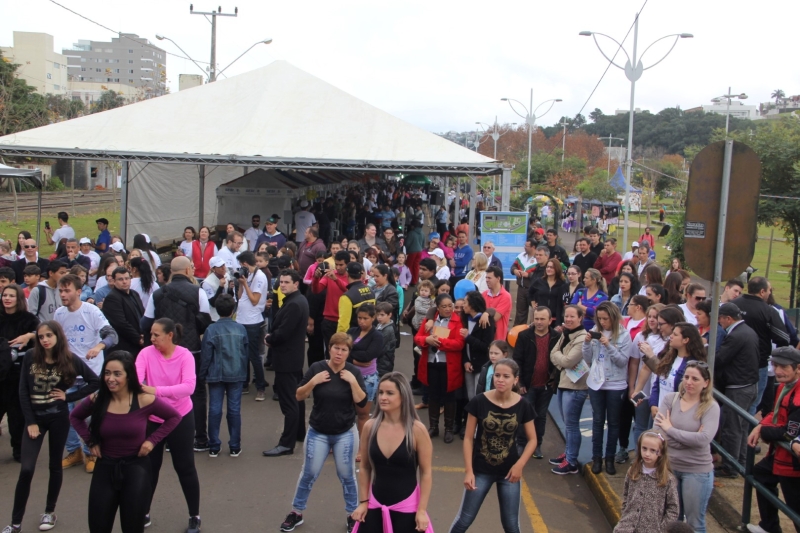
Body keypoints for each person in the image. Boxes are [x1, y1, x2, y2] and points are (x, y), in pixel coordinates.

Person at [70, 352, 181, 533]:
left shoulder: (144, 399)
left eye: (117, 374)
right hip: (105, 468)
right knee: (98, 526)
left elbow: (174, 417)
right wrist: (90, 441)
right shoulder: (98, 399)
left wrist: (152, 441)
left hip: (136, 469)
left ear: (129, 375)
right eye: (107, 373)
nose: (110, 379)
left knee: (132, 527)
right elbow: (75, 417)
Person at [5, 321, 99, 533]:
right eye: (41, 337)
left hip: (58, 418)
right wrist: (30, 422)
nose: (45, 340)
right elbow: (23, 391)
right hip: (34, 420)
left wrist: (69, 396)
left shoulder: (69, 359)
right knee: (26, 469)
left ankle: (49, 511)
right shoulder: (30, 356)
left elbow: (95, 382)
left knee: (54, 465)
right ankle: (15, 523)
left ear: (58, 336)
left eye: (49, 335)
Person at [279, 332, 367, 533]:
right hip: (318, 431)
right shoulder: (317, 368)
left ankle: (353, 515)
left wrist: (353, 382)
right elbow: (299, 395)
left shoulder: (353, 372)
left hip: (345, 432)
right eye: (336, 348)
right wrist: (314, 381)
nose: (339, 353)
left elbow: (362, 403)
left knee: (347, 475)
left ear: (348, 353)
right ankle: (296, 512)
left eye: (344, 350)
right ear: (330, 348)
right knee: (309, 473)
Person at [449, 358, 536, 533]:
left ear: (515, 380)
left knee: (511, 525)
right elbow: (468, 438)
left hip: (509, 473)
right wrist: (469, 471)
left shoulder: (523, 405)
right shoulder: (479, 401)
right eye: (497, 375)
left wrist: (519, 465)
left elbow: (532, 439)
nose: (500, 380)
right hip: (481, 471)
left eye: (506, 376)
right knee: (464, 520)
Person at [135, 318, 202, 532]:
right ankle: (143, 512)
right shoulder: (145, 354)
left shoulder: (185, 356)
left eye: (156, 335)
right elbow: (136, 382)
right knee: (149, 469)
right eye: (150, 335)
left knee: (185, 467)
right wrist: (147, 391)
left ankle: (194, 515)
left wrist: (156, 391)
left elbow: (189, 387)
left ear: (170, 335)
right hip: (153, 419)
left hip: (180, 417)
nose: (151, 339)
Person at [141, 256, 212, 452]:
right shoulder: (198, 292)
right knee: (194, 391)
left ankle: (165, 434)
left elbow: (145, 323)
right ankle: (200, 437)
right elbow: (205, 320)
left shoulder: (158, 293)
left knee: (163, 389)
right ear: (189, 270)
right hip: (191, 348)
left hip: (162, 351)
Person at [350, 372, 433, 533]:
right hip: (374, 504)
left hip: (407, 508)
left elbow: (426, 473)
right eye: (380, 392)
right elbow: (365, 467)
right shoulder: (370, 427)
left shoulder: (417, 430)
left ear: (403, 397)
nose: (382, 397)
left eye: (389, 393)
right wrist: (364, 501)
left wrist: (421, 510)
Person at [55, 274, 118, 473]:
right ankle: (73, 451)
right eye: (61, 291)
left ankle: (90, 451)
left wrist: (99, 347)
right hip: (67, 375)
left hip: (91, 375)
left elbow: (111, 335)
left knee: (89, 417)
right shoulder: (59, 314)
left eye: (67, 291)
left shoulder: (91, 312)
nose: (63, 295)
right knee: (66, 415)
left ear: (78, 292)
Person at [655, 361, 720, 533]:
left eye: (695, 379)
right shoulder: (671, 399)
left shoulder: (711, 407)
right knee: (672, 521)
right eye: (687, 377)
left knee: (694, 524)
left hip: (697, 471)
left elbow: (703, 440)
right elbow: (657, 433)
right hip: (669, 468)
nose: (689, 382)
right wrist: (688, 438)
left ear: (706, 383)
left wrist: (670, 429)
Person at [746, 346, 800, 533]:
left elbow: (789, 433)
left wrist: (764, 430)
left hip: (792, 462)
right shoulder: (786, 386)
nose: (778, 371)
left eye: (784, 367)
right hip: (781, 455)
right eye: (776, 365)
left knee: (795, 506)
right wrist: (761, 425)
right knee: (760, 474)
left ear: (798, 368)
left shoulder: (798, 395)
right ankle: (769, 526)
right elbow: (775, 414)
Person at [263, 269, 310, 457]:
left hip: (287, 360)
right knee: (296, 399)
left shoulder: (294, 304)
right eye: (281, 282)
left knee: (289, 402)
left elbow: (283, 333)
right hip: (293, 358)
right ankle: (299, 433)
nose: (282, 285)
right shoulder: (297, 301)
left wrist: (270, 338)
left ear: (296, 284)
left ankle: (286, 443)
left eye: (286, 282)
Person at [583, 301, 631, 475]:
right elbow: (587, 358)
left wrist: (608, 345)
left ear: (614, 317)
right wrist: (587, 343)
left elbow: (622, 361)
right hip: (596, 382)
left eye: (605, 318)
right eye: (600, 318)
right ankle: (597, 458)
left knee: (613, 422)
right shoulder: (596, 330)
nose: (602, 322)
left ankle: (609, 458)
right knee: (597, 421)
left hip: (615, 383)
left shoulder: (624, 335)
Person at [714, 303, 761, 479]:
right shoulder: (747, 331)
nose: (719, 322)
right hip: (748, 385)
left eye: (720, 318)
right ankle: (740, 462)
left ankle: (731, 466)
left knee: (732, 427)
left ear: (728, 318)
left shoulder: (736, 335)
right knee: (741, 427)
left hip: (738, 387)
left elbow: (720, 358)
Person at [731, 277, 790, 415]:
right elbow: (783, 337)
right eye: (769, 290)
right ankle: (745, 434)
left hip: (732, 362)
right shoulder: (768, 311)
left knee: (731, 401)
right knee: (752, 402)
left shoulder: (733, 305)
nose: (770, 293)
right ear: (762, 291)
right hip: (758, 364)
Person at [199, 294, 247, 457]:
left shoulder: (211, 329)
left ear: (217, 310)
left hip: (215, 373)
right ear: (233, 310)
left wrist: (202, 374)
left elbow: (206, 355)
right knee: (234, 409)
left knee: (214, 409)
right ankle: (234, 445)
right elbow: (245, 353)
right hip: (236, 372)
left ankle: (214, 445)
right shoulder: (240, 328)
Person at [414, 293, 465, 443]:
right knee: (433, 396)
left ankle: (448, 428)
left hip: (449, 365)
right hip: (431, 362)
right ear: (438, 307)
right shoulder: (430, 321)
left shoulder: (458, 321)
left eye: (451, 306)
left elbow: (459, 343)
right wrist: (427, 340)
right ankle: (433, 427)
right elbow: (417, 338)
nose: (448, 309)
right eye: (444, 306)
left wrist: (441, 342)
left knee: (449, 396)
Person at [0, 285, 40, 463]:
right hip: (1, 374)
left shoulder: (28, 319)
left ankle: (19, 450)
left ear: (18, 299)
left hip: (18, 374)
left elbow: (41, 333)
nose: (7, 298)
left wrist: (29, 336)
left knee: (17, 417)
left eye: (11, 295)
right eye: (4, 295)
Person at [514, 306, 559, 459]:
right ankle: (521, 443)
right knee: (524, 415)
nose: (538, 322)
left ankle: (537, 444)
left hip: (546, 386)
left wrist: (553, 381)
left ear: (550, 320)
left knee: (540, 416)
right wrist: (519, 383)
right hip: (527, 384)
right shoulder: (524, 336)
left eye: (542, 319)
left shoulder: (557, 337)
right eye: (536, 318)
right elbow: (517, 360)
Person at [614, 431, 679, 533]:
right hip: (625, 528)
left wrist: (662, 530)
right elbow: (626, 495)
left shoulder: (668, 479)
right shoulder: (633, 470)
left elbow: (673, 509)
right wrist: (625, 516)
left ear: (661, 452)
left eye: (653, 450)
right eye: (644, 448)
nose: (647, 454)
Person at [347, 304, 384, 456]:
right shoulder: (352, 331)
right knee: (346, 411)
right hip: (348, 376)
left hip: (367, 378)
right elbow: (342, 350)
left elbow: (369, 355)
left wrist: (351, 355)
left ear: (373, 318)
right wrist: (355, 361)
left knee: (362, 414)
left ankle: (363, 448)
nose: (361, 321)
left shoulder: (377, 336)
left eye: (365, 318)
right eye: (359, 318)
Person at [234, 251, 269, 400]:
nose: (241, 267)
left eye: (242, 265)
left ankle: (260, 386)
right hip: (241, 319)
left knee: (253, 355)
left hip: (253, 321)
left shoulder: (260, 277)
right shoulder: (247, 275)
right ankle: (244, 384)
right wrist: (241, 283)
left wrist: (245, 285)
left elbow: (255, 300)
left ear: (246, 264)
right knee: (242, 355)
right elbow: (240, 296)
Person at [101, 267, 144, 357]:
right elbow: (120, 324)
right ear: (114, 281)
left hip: (140, 340)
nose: (124, 281)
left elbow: (141, 315)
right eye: (120, 279)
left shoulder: (134, 294)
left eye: (127, 278)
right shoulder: (112, 298)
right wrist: (138, 338)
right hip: (124, 346)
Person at [313, 250, 351, 350]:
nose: (338, 267)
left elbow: (349, 290)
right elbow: (316, 290)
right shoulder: (330, 275)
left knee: (344, 351)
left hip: (345, 320)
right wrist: (316, 278)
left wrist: (336, 280)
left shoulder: (351, 276)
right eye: (336, 264)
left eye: (341, 265)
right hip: (329, 320)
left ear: (348, 264)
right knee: (329, 352)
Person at [461, 291, 495, 401]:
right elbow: (464, 346)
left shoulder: (486, 321)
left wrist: (468, 337)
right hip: (468, 365)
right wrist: (465, 361)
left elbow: (486, 346)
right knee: (470, 398)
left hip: (480, 365)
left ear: (472, 304)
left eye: (465, 302)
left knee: (479, 398)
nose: (463, 305)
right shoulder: (465, 318)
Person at [338, 262, 376, 333]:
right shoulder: (371, 290)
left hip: (353, 336)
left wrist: (340, 341)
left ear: (347, 274)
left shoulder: (347, 296)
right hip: (369, 334)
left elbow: (343, 325)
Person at [529, 257, 567, 324]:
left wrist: (559, 322)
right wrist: (532, 303)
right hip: (540, 318)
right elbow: (530, 292)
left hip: (556, 318)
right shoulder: (539, 281)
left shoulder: (562, 283)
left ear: (557, 269)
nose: (549, 269)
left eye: (551, 267)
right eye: (547, 267)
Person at [482, 266, 512, 341]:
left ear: (498, 279)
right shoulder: (484, 294)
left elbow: (495, 318)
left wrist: (485, 313)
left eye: (489, 278)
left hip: (498, 340)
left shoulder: (506, 296)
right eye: (486, 278)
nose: (486, 280)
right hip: (484, 338)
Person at [375, 302, 397, 377]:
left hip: (383, 364)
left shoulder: (388, 330)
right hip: (381, 362)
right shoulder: (380, 325)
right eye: (377, 314)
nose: (379, 317)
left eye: (382, 315)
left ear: (390, 315)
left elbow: (380, 348)